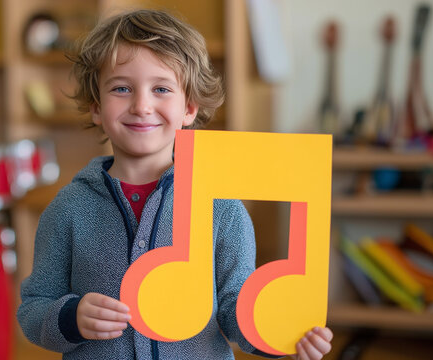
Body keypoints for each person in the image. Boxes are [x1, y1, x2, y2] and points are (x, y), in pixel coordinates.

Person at [18, 9, 333, 360]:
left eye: (161, 89)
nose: (142, 105)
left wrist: (282, 336)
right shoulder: (68, 208)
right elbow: (34, 308)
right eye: (121, 88)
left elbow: (234, 306)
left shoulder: (222, 208)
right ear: (96, 107)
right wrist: (69, 317)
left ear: (189, 108)